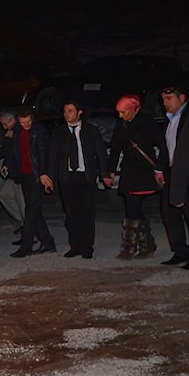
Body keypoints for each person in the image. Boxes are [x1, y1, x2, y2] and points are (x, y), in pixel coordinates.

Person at [48, 101, 111, 259]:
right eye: (65, 111)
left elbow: (101, 152)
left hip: (86, 176)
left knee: (87, 213)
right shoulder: (59, 132)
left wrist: (105, 173)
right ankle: (75, 246)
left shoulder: (91, 131)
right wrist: (48, 176)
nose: (66, 114)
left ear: (79, 112)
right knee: (71, 213)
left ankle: (87, 246)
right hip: (67, 177)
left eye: (70, 110)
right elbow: (52, 156)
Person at [107, 94, 166, 259]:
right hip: (129, 171)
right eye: (119, 112)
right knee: (133, 206)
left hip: (143, 171)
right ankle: (146, 245)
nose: (120, 115)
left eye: (123, 112)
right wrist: (110, 171)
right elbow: (116, 146)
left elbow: (163, 143)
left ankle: (130, 247)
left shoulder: (146, 122)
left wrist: (160, 167)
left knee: (133, 207)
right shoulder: (122, 124)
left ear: (133, 110)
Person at [9, 107, 57, 258]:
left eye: (29, 121)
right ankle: (48, 242)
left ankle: (26, 246)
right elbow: (14, 151)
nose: (26, 125)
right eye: (23, 122)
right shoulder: (17, 130)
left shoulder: (39, 130)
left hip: (36, 175)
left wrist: (43, 173)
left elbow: (44, 153)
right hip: (24, 175)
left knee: (30, 210)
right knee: (34, 210)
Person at [156, 84, 189, 266]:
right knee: (170, 213)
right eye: (163, 100)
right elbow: (166, 146)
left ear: (182, 98)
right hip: (171, 172)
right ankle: (180, 251)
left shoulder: (187, 118)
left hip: (186, 172)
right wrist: (159, 168)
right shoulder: (169, 119)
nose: (165, 103)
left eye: (169, 99)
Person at [0, 110, 27, 232]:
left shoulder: (18, 131)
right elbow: (7, 151)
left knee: (22, 203)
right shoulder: (13, 132)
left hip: (20, 173)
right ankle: (24, 223)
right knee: (4, 195)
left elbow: (12, 151)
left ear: (12, 120)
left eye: (4, 124)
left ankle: (28, 229)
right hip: (14, 173)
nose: (3, 127)